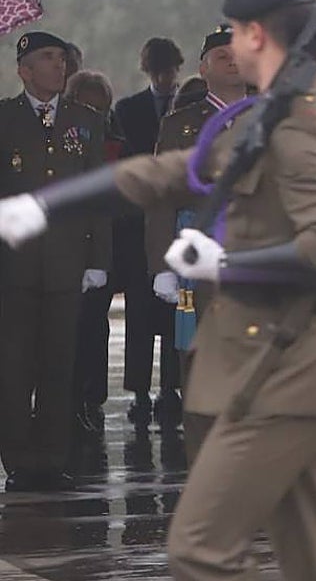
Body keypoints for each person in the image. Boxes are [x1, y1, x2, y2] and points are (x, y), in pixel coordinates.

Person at [0, 0, 316, 578]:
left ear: (259, 37)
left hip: (285, 366)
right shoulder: (266, 115)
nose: (228, 47)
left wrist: (224, 262)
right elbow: (168, 173)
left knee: (200, 548)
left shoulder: (299, 127)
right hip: (274, 357)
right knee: (313, 559)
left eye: (237, 33)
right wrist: (46, 205)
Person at [0, 31, 110, 491]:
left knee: (59, 363)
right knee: (14, 366)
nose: (58, 65)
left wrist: (98, 257)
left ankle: (51, 457)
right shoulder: (5, 118)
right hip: (14, 262)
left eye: (62, 58)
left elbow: (98, 192)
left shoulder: (85, 120)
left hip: (66, 260)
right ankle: (18, 460)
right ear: (24, 69)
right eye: (47, 58)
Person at [144, 25, 249, 460]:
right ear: (203, 69)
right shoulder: (180, 125)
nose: (232, 60)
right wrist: (161, 266)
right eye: (221, 55)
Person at [115, 36, 186, 427]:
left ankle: (171, 386)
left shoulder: (190, 106)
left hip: (178, 219)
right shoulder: (128, 110)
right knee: (140, 315)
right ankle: (140, 390)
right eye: (157, 71)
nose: (163, 78)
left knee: (177, 312)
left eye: (168, 70)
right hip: (138, 223)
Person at [64, 69, 120, 438]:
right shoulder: (61, 139)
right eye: (88, 107)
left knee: (93, 327)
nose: (94, 115)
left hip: (102, 244)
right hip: (66, 244)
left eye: (100, 110)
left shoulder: (115, 142)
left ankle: (88, 397)